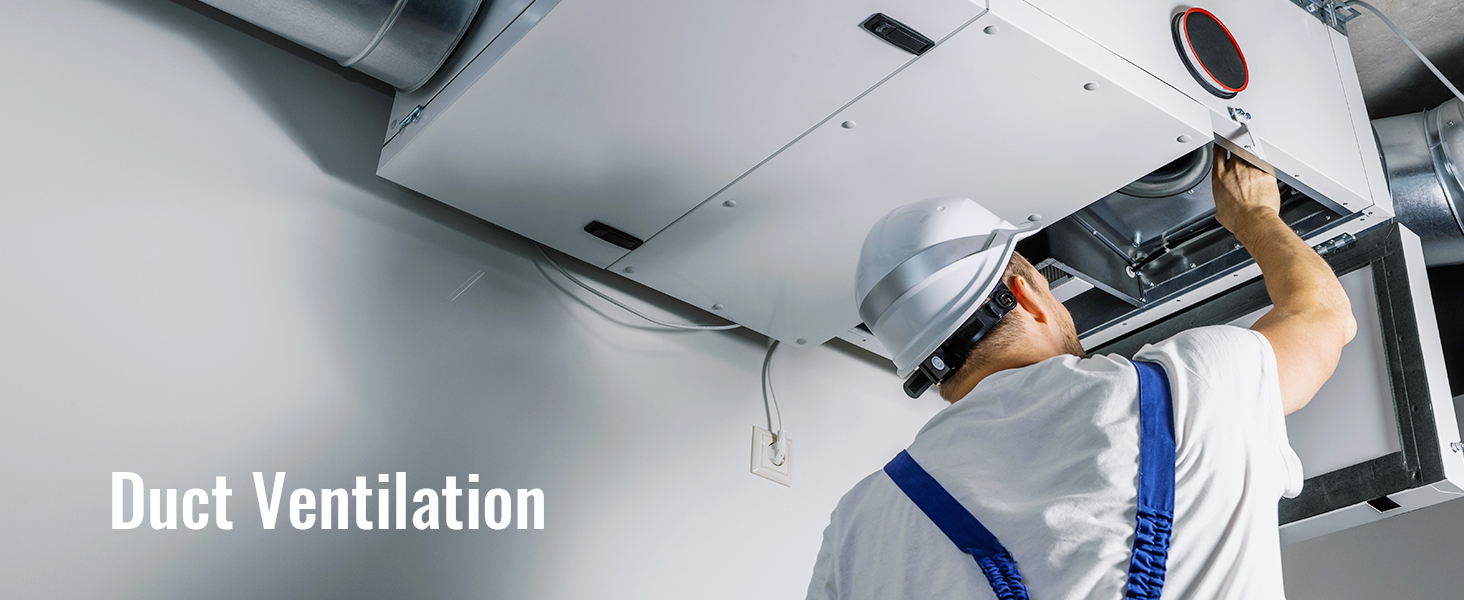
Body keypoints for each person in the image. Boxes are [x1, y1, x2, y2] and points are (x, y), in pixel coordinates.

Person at [809, 151, 1357, 599]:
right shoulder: (1181, 391)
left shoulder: (857, 526)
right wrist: (1255, 215)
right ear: (1028, 293)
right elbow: (1323, 316)